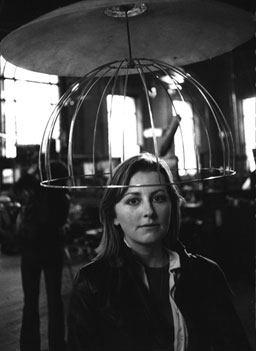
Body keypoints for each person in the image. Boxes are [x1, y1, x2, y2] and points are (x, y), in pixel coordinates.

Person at [67, 152, 252, 351]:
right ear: (114, 215)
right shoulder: (93, 284)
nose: (149, 211)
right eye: (133, 201)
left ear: (172, 206)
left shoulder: (207, 274)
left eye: (158, 198)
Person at [14, 160, 71, 351]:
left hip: (31, 251)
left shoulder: (36, 192)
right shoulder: (63, 197)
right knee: (54, 299)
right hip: (53, 250)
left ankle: (29, 345)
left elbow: (18, 187)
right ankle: (57, 344)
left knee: (30, 301)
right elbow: (58, 222)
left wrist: (31, 171)